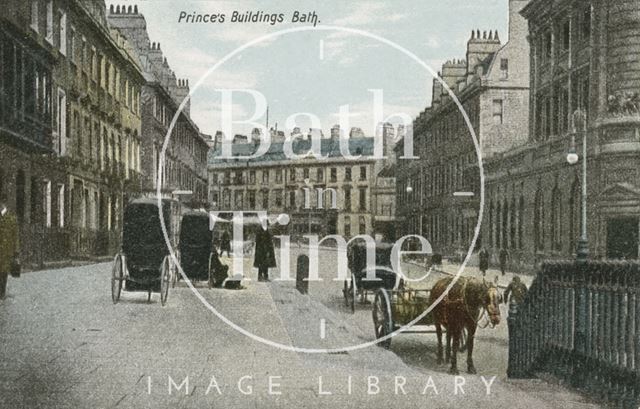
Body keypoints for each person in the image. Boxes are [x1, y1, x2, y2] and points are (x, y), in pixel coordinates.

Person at [0, 199, 20, 300]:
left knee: (4, 272)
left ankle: (2, 292)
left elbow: (16, 236)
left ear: (3, 204)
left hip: (7, 251)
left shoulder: (12, 218)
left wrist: (16, 252)